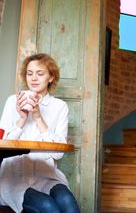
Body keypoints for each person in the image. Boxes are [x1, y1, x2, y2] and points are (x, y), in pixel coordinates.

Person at [0, 53, 80, 213]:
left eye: (40, 73)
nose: (33, 78)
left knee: (68, 202)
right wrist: (22, 119)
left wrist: (38, 117)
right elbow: (2, 144)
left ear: (51, 77)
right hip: (14, 178)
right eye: (29, 74)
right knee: (48, 207)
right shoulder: (12, 102)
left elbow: (58, 155)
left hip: (45, 176)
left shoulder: (60, 106)